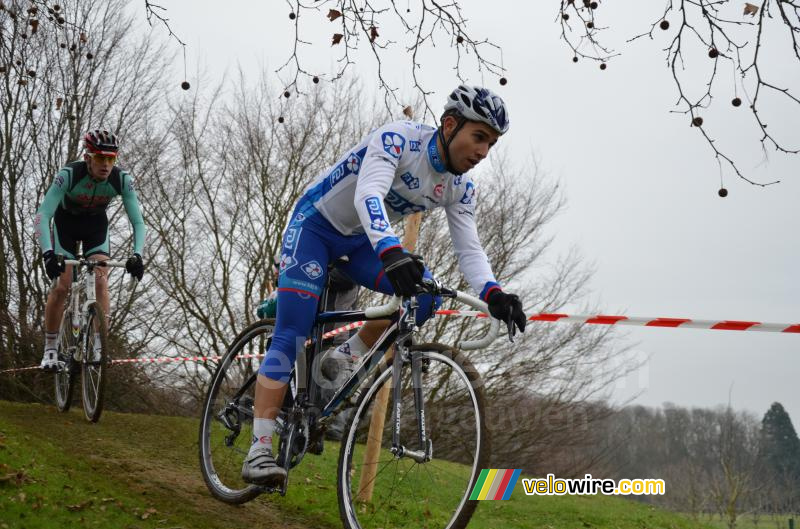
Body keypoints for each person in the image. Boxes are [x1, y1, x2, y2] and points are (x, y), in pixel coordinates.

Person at [242, 85, 527, 486]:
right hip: (316, 227)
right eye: (479, 137)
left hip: (360, 242)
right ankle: (259, 449)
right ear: (449, 125)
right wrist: (392, 250)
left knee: (425, 298)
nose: (483, 152)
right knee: (292, 331)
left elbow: (469, 249)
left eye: (491, 144)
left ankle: (336, 363)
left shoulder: (460, 187)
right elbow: (368, 194)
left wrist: (494, 293)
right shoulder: (399, 139)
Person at [34, 129, 146, 371]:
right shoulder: (69, 175)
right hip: (66, 225)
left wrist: (138, 255)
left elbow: (138, 221)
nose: (106, 165)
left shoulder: (121, 180)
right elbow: (43, 214)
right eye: (100, 158)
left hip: (95, 226)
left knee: (100, 281)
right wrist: (47, 253)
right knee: (62, 286)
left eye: (111, 159)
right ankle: (51, 348)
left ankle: (98, 346)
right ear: (88, 158)